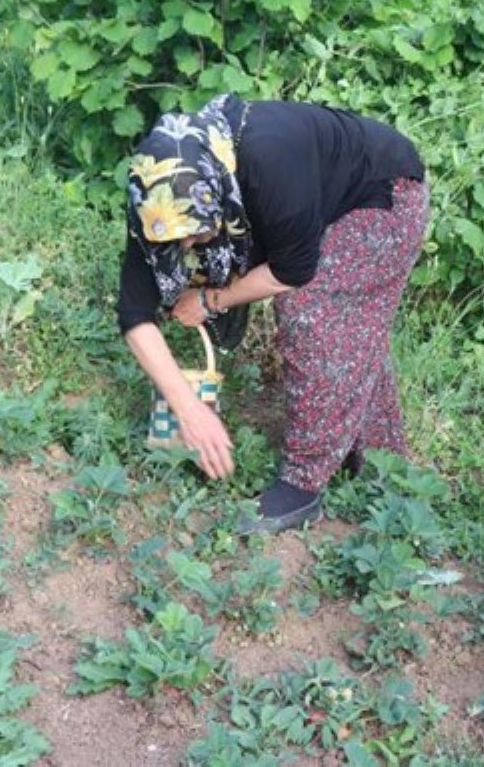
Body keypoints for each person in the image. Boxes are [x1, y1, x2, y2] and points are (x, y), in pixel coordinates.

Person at [117, 94, 428, 534]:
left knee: (313, 314)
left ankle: (303, 484)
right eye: (176, 240)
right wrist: (187, 408)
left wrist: (210, 300)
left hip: (382, 196)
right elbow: (134, 314)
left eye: (196, 234)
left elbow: (291, 271)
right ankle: (384, 466)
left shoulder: (269, 160)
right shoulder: (157, 193)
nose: (186, 248)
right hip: (319, 201)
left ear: (217, 192)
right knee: (355, 334)